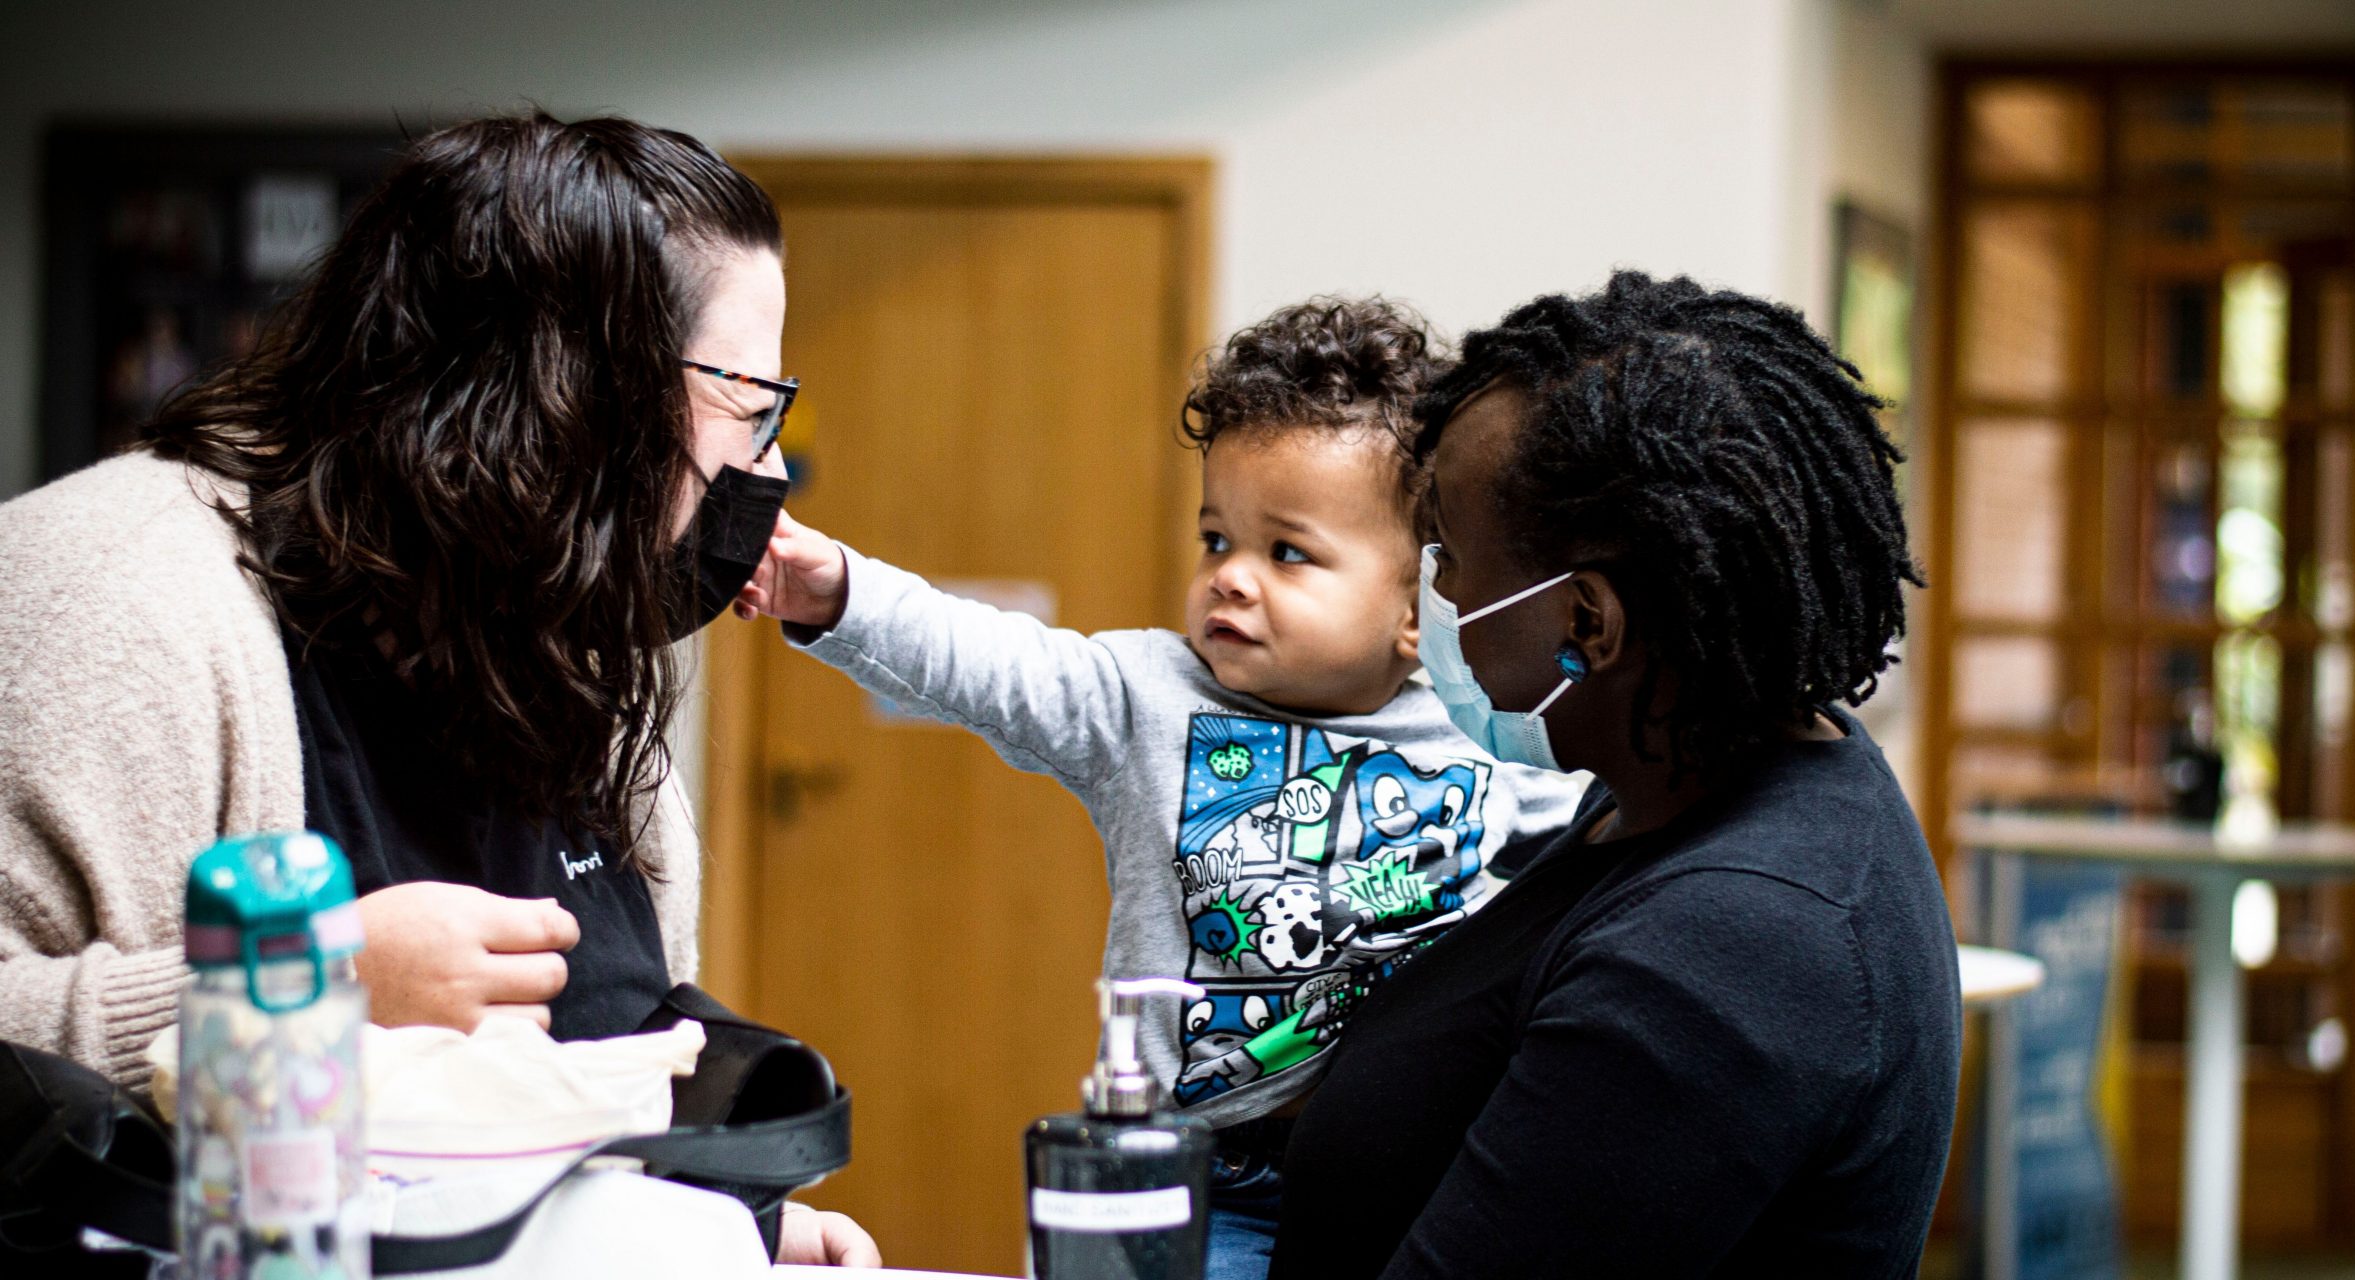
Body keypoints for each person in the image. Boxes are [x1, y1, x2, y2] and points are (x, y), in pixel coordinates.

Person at [0, 112, 874, 1266]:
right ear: (571, 387)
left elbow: (581, 1053)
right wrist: (306, 989)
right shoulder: (111, 595)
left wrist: (719, 1213)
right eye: (747, 403)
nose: (763, 467)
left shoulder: (559, 627)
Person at [736, 297, 1587, 1278]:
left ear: (1416, 606)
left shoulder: (1486, 730)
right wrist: (835, 588)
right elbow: (986, 658)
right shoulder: (1145, 695)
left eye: (1288, 552)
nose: (1229, 577)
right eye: (1217, 538)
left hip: (1416, 1175)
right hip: (1201, 1178)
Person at [1269, 271, 1961, 1279]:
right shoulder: (1679, 775)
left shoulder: (1731, 948)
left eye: (1448, 554)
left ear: (1584, 621)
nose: (1435, 595)